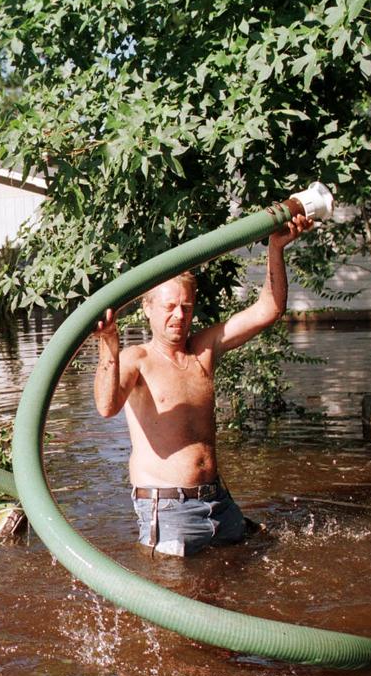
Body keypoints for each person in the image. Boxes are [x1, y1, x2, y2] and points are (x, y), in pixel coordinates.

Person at [92, 213, 314, 556]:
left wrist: (276, 247)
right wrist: (109, 343)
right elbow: (106, 408)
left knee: (251, 567)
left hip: (217, 500)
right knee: (175, 597)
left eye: (186, 307)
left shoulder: (204, 350)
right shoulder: (137, 360)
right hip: (169, 508)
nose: (179, 316)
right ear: (147, 309)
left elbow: (269, 309)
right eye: (169, 307)